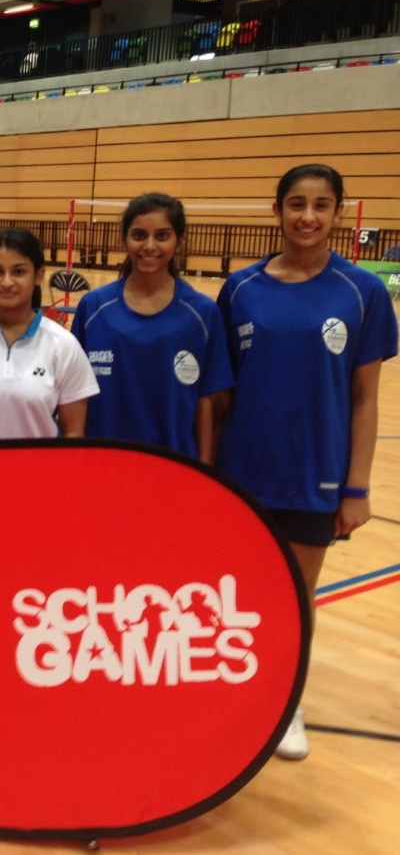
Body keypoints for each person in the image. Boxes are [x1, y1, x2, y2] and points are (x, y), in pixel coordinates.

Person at [216, 164, 398, 760]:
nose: (308, 216)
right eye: (296, 204)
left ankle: (286, 703)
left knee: (296, 595)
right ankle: (234, 696)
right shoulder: (240, 288)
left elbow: (365, 397)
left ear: (339, 212)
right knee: (237, 596)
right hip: (242, 472)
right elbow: (221, 394)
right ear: (277, 210)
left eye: (321, 205)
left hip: (313, 472)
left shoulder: (362, 291)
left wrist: (357, 487)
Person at [71, 193, 233, 464]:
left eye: (162, 236)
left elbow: (206, 401)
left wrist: (204, 471)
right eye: (139, 235)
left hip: (175, 467)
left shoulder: (203, 314)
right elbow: (74, 394)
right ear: (124, 239)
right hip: (102, 464)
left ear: (179, 241)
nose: (149, 246)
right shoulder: (93, 308)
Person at [0, 228, 97, 440]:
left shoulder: (64, 345)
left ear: (38, 275)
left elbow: (73, 433)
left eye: (19, 272)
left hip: (42, 462)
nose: (7, 282)